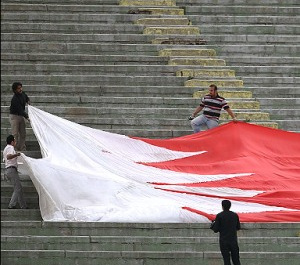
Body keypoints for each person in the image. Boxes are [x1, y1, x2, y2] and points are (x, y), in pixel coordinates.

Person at [210, 200, 241, 265]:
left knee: (226, 260)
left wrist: (213, 224)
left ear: (222, 206)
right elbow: (238, 227)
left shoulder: (219, 215)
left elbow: (215, 229)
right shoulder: (235, 215)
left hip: (224, 241)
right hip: (233, 241)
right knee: (236, 260)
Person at [3, 135, 28, 209]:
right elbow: (8, 157)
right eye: (15, 141)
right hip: (11, 169)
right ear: (12, 142)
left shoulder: (6, 148)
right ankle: (11, 204)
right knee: (18, 188)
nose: (15, 142)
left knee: (18, 188)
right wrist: (17, 154)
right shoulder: (10, 148)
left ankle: (23, 205)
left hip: (10, 170)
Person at [9, 82, 30, 151]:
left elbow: (26, 98)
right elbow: (20, 110)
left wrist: (28, 101)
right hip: (14, 116)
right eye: (18, 88)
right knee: (15, 133)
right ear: (15, 90)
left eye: (21, 87)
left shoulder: (23, 94)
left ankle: (22, 147)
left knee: (23, 133)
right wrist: (27, 117)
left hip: (21, 116)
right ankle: (14, 148)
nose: (20, 89)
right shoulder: (14, 99)